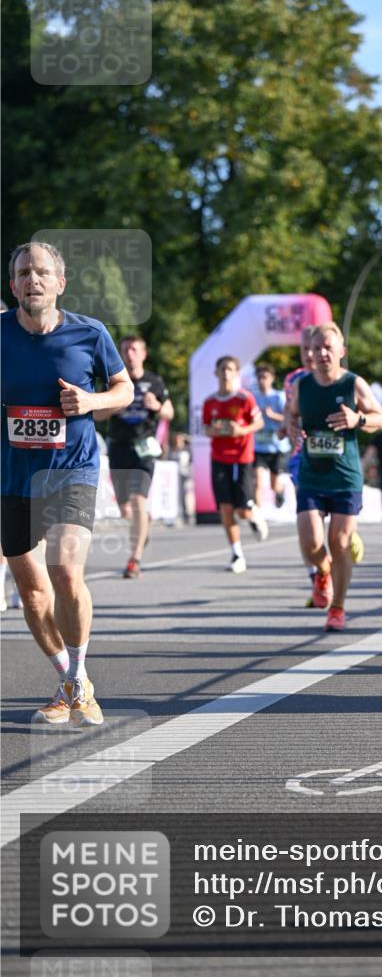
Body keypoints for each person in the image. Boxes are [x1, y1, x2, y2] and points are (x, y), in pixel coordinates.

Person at [1, 241, 133, 724]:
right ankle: (69, 681)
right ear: (12, 285)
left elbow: (125, 390)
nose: (31, 279)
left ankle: (77, 678)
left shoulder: (90, 334)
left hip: (72, 471)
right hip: (12, 478)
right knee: (33, 595)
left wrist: (91, 401)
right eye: (22, 273)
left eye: (40, 271)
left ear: (60, 282)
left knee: (65, 571)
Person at [287, 322, 382, 630]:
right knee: (311, 543)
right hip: (312, 474)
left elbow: (381, 419)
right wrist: (291, 427)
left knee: (339, 542)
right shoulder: (302, 385)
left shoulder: (354, 384)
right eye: (316, 349)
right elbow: (292, 414)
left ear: (341, 351)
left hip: (344, 476)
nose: (322, 354)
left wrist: (358, 419)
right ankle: (323, 572)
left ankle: (338, 608)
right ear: (309, 353)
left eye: (328, 348)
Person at [94, 335, 174, 578]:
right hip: (118, 447)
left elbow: (169, 413)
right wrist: (113, 406)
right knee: (125, 509)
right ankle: (142, 523)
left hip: (144, 448)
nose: (130, 354)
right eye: (125, 350)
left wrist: (157, 406)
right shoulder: (113, 381)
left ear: (144, 353)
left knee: (139, 501)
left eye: (134, 349)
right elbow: (96, 415)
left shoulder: (154, 381)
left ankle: (134, 559)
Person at [202, 355, 268, 574]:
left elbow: (258, 422)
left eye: (230, 369)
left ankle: (253, 511)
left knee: (243, 512)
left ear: (236, 373)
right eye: (222, 369)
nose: (226, 373)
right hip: (219, 458)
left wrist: (242, 430)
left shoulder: (244, 398)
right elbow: (206, 428)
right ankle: (237, 553)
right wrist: (214, 430)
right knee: (225, 508)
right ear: (216, 372)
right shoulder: (210, 402)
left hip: (242, 458)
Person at [252, 362, 289, 509]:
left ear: (272, 378)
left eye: (265, 377)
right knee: (258, 483)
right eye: (259, 377)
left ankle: (280, 491)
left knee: (274, 484)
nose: (262, 380)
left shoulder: (279, 397)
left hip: (276, 447)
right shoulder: (253, 398)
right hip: (259, 447)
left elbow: (288, 419)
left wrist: (272, 415)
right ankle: (258, 518)